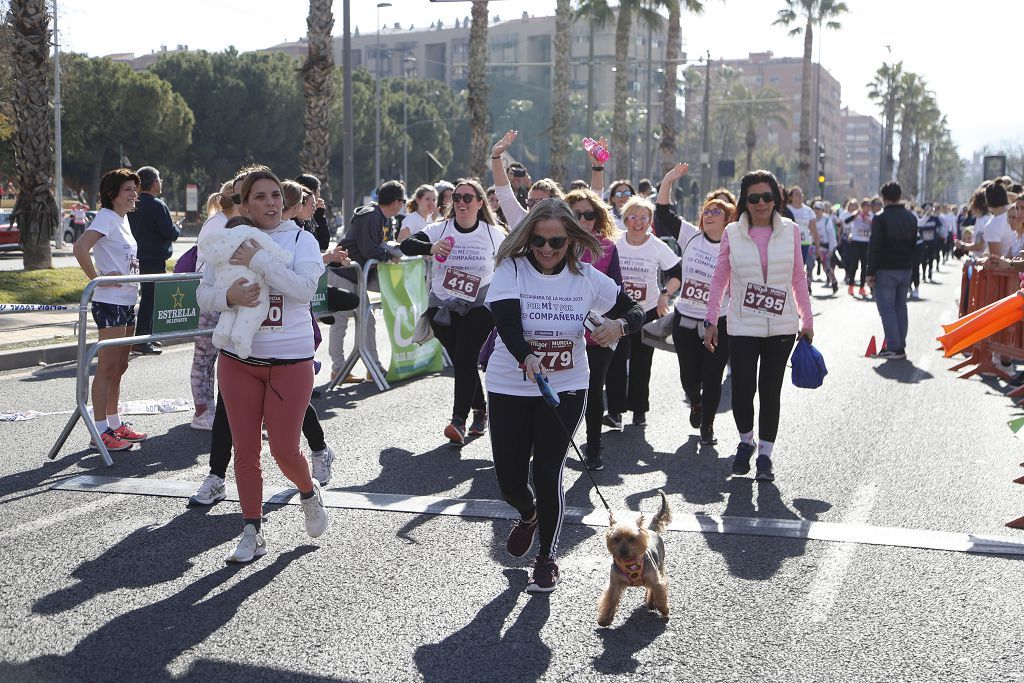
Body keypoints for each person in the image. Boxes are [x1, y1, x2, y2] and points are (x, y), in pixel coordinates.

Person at [485, 198, 643, 593]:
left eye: (556, 242)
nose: (547, 250)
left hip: (567, 387)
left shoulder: (587, 277)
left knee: (548, 468)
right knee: (508, 479)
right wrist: (527, 357)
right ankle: (528, 514)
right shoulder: (512, 269)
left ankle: (546, 559)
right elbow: (505, 322)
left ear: (571, 239)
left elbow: (637, 310)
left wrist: (618, 327)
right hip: (509, 384)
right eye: (538, 241)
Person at [196, 169, 329, 563]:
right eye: (260, 197)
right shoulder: (228, 237)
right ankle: (252, 530)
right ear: (245, 204)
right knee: (246, 450)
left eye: (275, 195)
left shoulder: (301, 240)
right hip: (239, 360)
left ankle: (308, 491)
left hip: (291, 361)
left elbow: (304, 290)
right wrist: (229, 295)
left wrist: (259, 261)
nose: (270, 202)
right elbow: (204, 294)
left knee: (286, 451)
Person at [704, 170, 813, 483]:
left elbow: (798, 277)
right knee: (742, 389)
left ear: (776, 199)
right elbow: (720, 279)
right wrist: (711, 319)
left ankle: (765, 454)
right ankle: (745, 441)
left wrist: (807, 319)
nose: (762, 203)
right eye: (754, 198)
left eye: (767, 196)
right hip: (741, 324)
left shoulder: (791, 230)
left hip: (781, 326)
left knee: (770, 390)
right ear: (745, 201)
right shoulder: (732, 233)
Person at [399, 178, 506, 443]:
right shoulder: (440, 228)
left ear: (480, 203)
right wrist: (430, 247)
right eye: (457, 197)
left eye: (468, 198)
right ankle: (481, 409)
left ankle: (459, 420)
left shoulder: (493, 234)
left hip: (479, 307)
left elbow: (511, 263)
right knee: (463, 361)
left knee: (465, 356)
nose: (461, 202)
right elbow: (406, 244)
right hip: (443, 307)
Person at [72, 168, 147, 452]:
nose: (134, 195)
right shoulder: (105, 216)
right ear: (112, 193)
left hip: (128, 300)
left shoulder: (123, 219)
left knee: (120, 366)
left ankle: (114, 423)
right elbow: (81, 248)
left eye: (135, 189)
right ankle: (99, 431)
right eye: (128, 190)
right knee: (106, 367)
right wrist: (97, 279)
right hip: (110, 302)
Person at [604, 195, 681, 428]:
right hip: (617, 310)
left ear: (650, 221)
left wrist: (664, 293)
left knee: (641, 361)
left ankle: (639, 409)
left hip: (646, 310)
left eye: (644, 218)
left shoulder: (657, 246)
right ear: (625, 218)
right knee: (615, 360)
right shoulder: (615, 242)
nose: (638, 222)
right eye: (633, 217)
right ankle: (615, 411)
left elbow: (677, 273)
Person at [664, 181, 732, 446]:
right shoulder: (690, 235)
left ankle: (708, 425)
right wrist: (669, 180)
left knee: (713, 376)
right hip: (685, 318)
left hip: (719, 321)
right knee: (688, 377)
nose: (709, 214)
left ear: (729, 221)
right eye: (707, 210)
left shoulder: (734, 245)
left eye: (717, 212)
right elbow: (663, 215)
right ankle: (696, 402)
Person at [564, 186, 622, 471]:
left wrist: (612, 324)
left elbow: (618, 293)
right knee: (562, 392)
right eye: (577, 214)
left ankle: (594, 449)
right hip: (560, 334)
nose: (583, 219)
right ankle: (555, 447)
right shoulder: (551, 244)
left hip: (598, 335)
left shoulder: (609, 247)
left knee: (593, 389)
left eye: (589, 214)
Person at [331, 180, 406, 382]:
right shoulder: (371, 215)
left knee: (367, 321)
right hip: (343, 274)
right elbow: (369, 249)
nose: (403, 205)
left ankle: (372, 367)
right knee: (340, 322)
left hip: (356, 275)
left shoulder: (382, 217)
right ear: (396, 201)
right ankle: (339, 368)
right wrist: (389, 255)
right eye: (403, 200)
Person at [190, 180, 237, 430]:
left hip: (227, 296)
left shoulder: (229, 222)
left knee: (223, 356)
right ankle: (202, 411)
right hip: (212, 296)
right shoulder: (217, 223)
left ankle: (217, 409)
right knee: (205, 358)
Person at [127, 166, 180, 355]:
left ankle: (143, 337)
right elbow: (170, 233)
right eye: (160, 180)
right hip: (153, 260)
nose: (161, 183)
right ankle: (142, 339)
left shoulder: (133, 203)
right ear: (155, 183)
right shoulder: (158, 205)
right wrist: (176, 228)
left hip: (134, 258)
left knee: (136, 297)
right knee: (150, 299)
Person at [865, 181, 918, 361]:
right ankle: (899, 344)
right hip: (905, 267)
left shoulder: (880, 218)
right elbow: (914, 245)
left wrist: (870, 272)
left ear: (883, 197)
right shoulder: (911, 217)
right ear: (899, 196)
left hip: (886, 269)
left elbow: (875, 246)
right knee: (900, 307)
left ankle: (895, 346)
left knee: (887, 309)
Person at [784, 186, 819, 291]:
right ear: (791, 197)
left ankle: (798, 289)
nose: (800, 196)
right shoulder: (787, 209)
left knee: (800, 267)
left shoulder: (808, 211)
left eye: (801, 194)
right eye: (797, 194)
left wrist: (817, 246)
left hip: (804, 243)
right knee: (789, 267)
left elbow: (814, 230)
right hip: (789, 243)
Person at [294, 173, 332, 251]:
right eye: (318, 191)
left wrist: (319, 215)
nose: (319, 196)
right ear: (311, 192)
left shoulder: (308, 217)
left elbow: (323, 244)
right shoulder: (292, 220)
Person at [812, 200, 839, 294]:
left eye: (819, 209)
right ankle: (807, 287)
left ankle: (834, 281)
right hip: (813, 246)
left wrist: (832, 248)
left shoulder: (826, 219)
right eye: (815, 209)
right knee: (809, 265)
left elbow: (831, 234)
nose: (817, 211)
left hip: (824, 247)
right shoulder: (812, 219)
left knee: (826, 267)